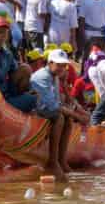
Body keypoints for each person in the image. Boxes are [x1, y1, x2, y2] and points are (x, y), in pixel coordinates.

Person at [30, 48, 76, 180]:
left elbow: (56, 101)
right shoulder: (42, 76)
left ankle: (61, 160)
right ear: (50, 63)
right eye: (58, 65)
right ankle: (53, 161)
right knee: (59, 117)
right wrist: (76, 115)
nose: (62, 68)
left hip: (44, 107)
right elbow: (53, 106)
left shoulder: (54, 75)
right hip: (34, 108)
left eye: (64, 65)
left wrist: (72, 113)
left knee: (67, 118)